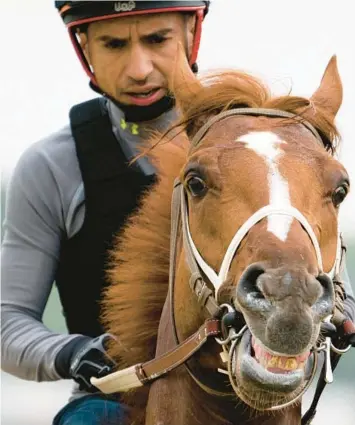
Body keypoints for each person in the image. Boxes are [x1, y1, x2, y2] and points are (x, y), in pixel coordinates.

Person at [1, 1, 354, 425]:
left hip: (261, 392)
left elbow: (334, 287)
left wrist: (339, 316)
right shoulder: (50, 167)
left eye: (157, 39)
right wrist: (73, 353)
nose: (138, 68)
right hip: (112, 400)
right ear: (84, 47)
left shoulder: (259, 152)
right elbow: (7, 323)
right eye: (113, 44)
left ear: (191, 30)